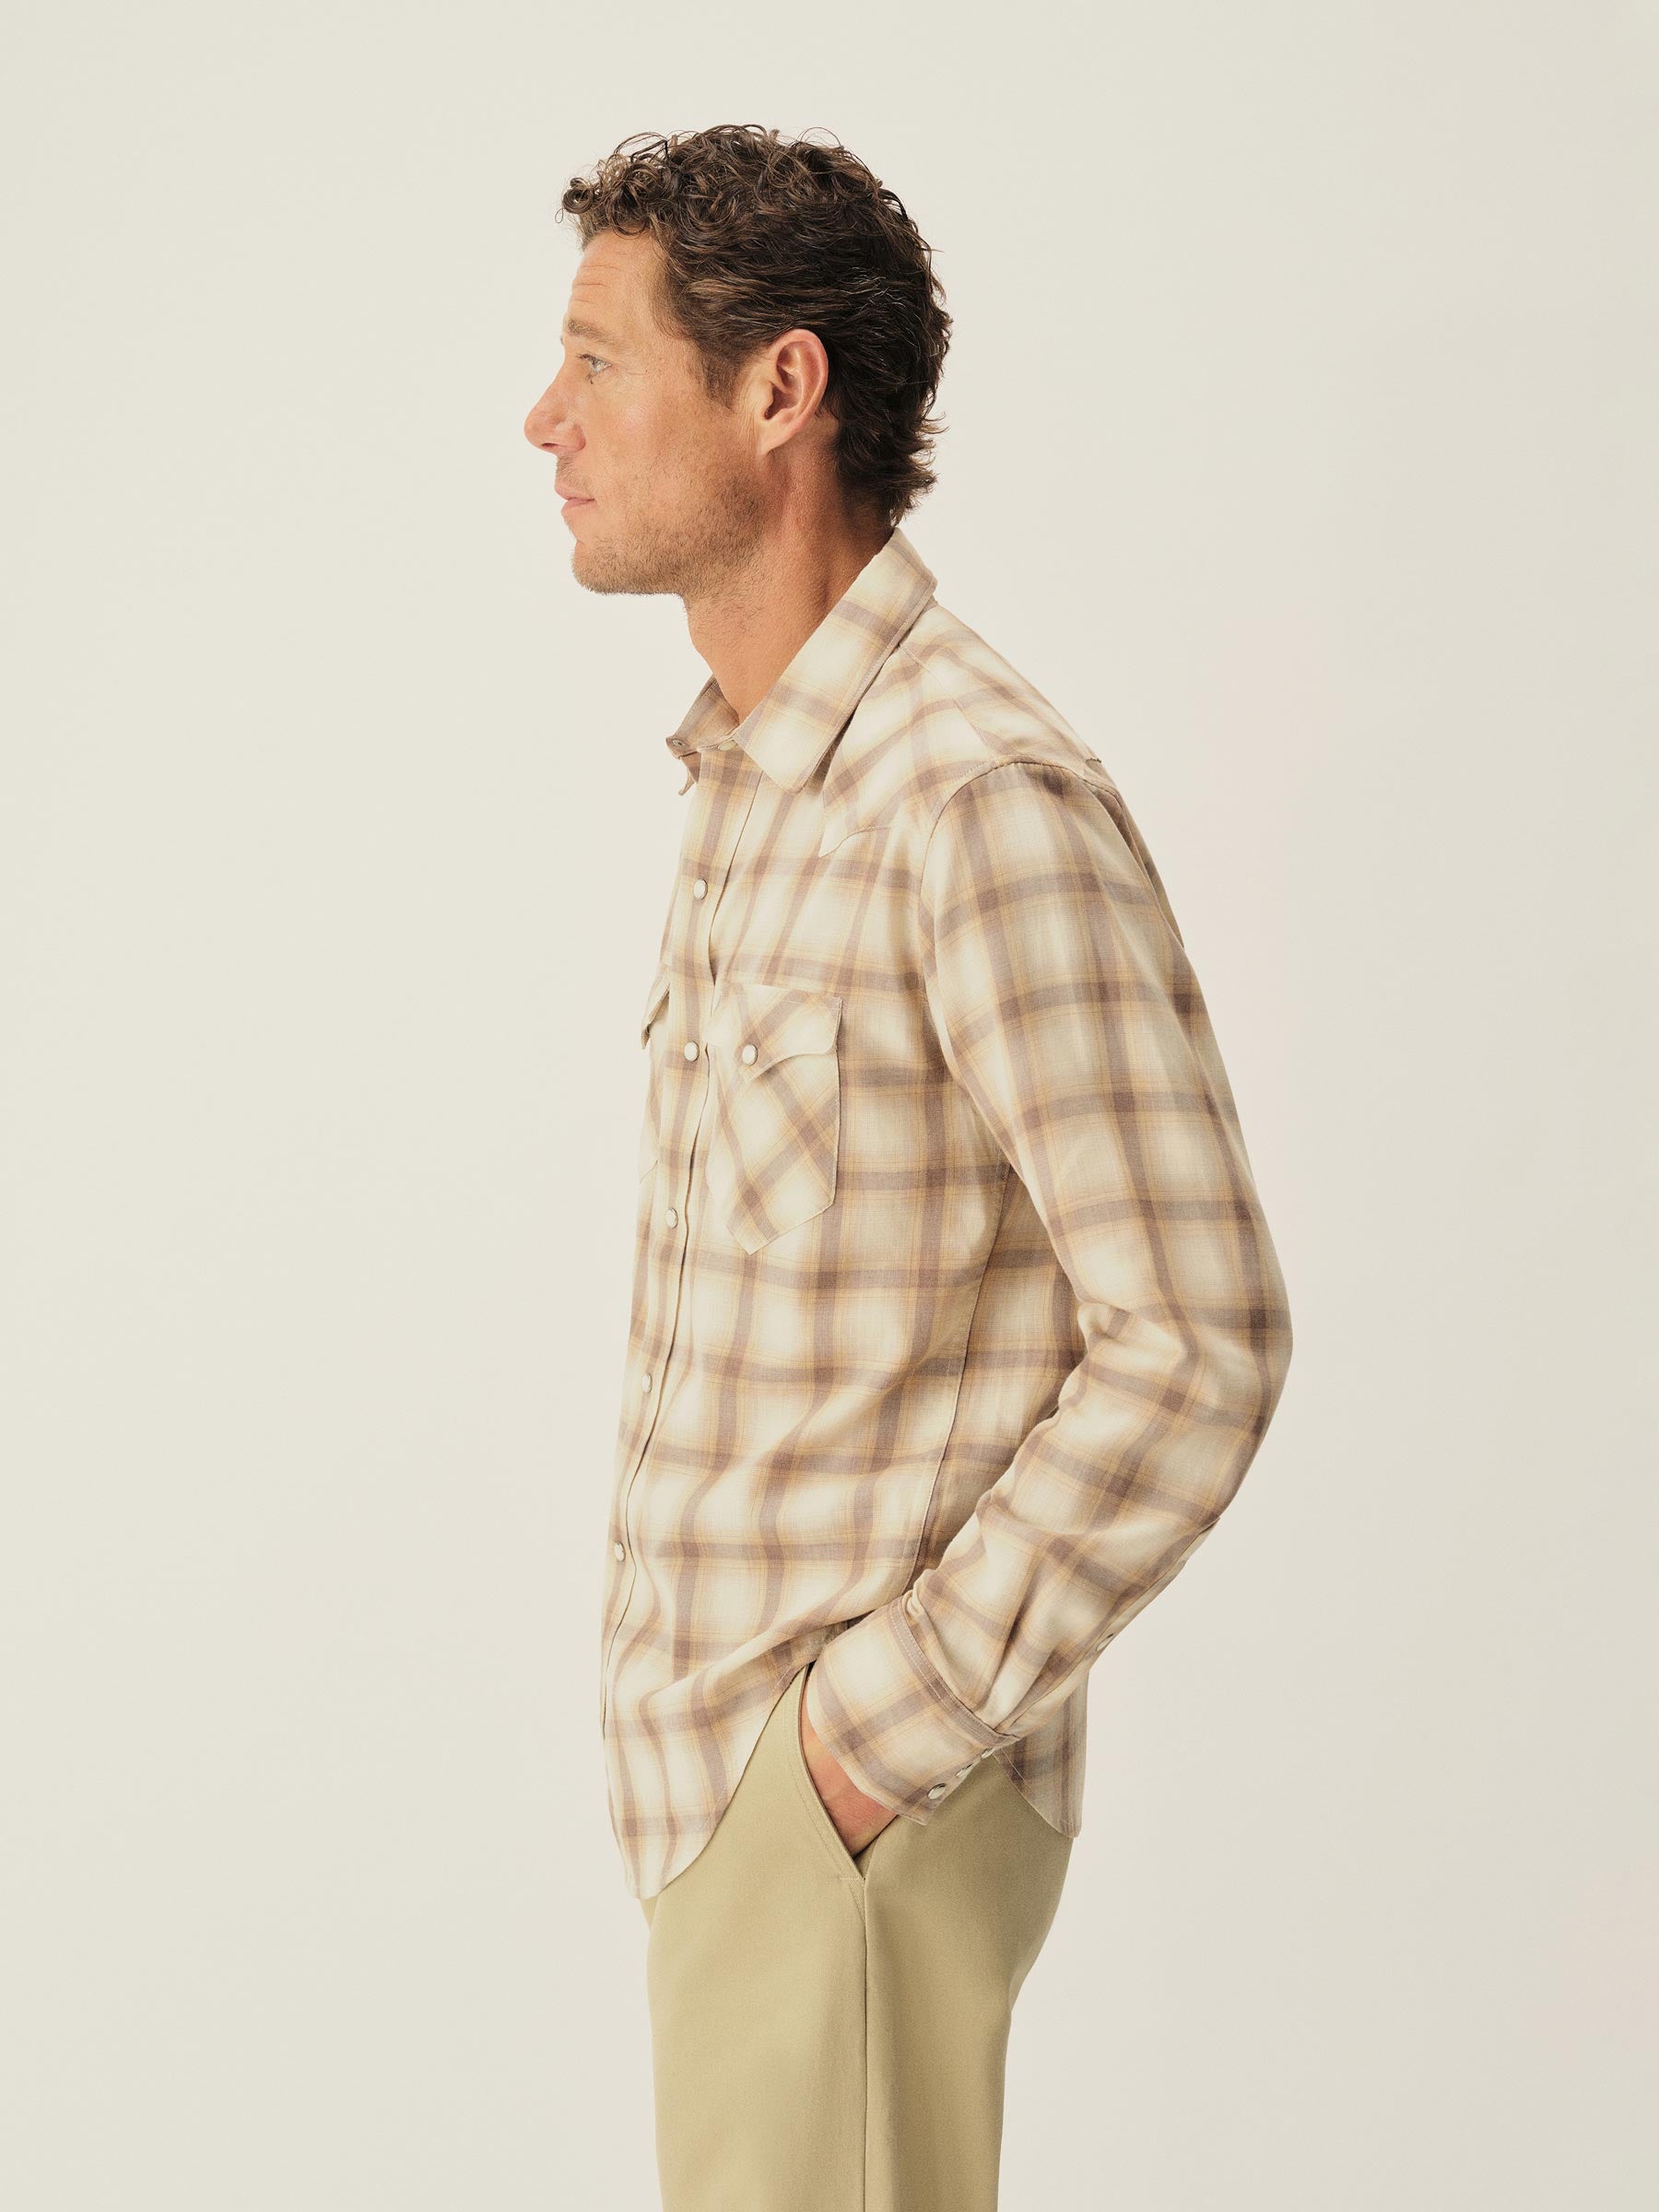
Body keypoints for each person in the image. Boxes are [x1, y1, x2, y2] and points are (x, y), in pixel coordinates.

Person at [524, 123, 1294, 2212]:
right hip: (742, 1810)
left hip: (842, 1814)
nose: (545, 421)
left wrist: (871, 1735)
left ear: (780, 391)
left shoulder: (970, 799)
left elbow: (1202, 1338)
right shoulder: (761, 781)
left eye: (597, 362)